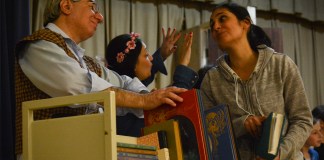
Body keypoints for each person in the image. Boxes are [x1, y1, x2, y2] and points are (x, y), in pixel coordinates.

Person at [14, 0, 187, 158]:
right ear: (66, 6)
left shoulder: (88, 62)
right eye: (92, 7)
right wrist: (145, 100)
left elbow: (125, 82)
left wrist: (146, 97)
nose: (100, 17)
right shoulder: (37, 47)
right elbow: (84, 88)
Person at [200, 2, 312, 159]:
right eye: (212, 25)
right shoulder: (212, 79)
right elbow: (208, 130)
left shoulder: (281, 65)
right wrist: (242, 124)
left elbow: (302, 121)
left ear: (245, 23)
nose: (215, 27)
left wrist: (280, 153)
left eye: (222, 19)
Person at [105, 29, 198, 89]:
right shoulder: (133, 92)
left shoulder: (123, 87)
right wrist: (183, 64)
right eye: (146, 56)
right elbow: (173, 108)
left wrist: (162, 54)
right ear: (132, 65)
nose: (151, 58)